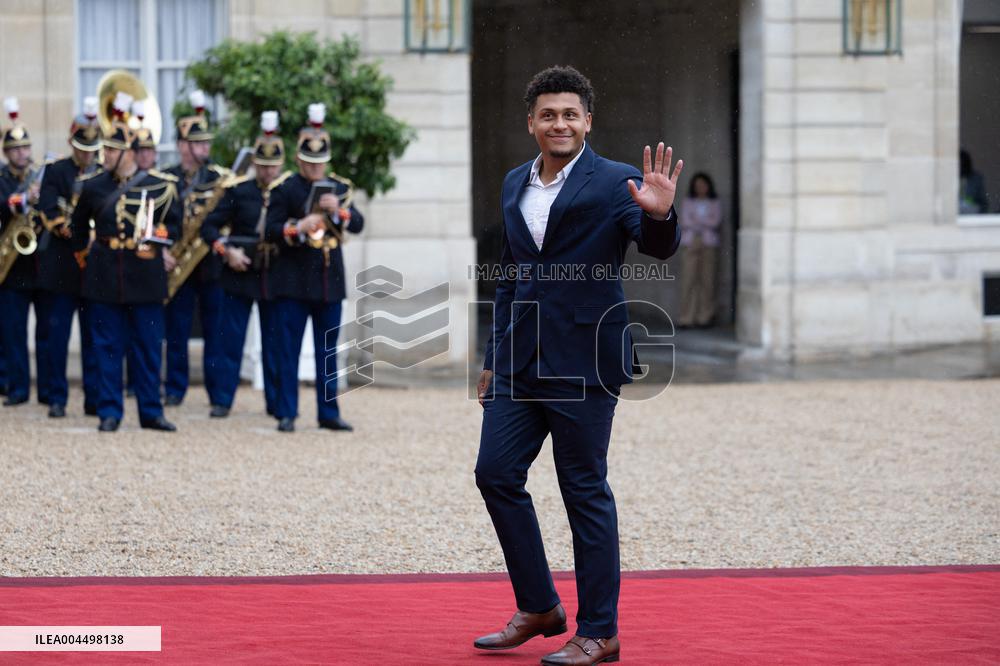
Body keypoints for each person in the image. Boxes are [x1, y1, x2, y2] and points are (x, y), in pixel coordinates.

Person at [473, 66, 682, 666]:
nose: (559, 123)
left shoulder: (616, 180)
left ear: (588, 120)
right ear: (531, 123)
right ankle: (540, 606)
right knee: (495, 474)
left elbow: (656, 245)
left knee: (583, 490)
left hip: (586, 361)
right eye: (548, 114)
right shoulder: (514, 182)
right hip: (520, 362)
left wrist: (660, 215)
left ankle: (599, 631)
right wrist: (493, 358)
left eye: (570, 114)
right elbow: (511, 276)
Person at [69, 92, 181, 433]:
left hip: (145, 275)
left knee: (148, 348)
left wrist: (159, 240)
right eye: (105, 149)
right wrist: (86, 257)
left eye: (112, 150)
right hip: (104, 274)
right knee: (107, 347)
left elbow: (174, 225)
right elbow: (77, 228)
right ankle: (109, 411)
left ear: (129, 153)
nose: (105, 155)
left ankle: (151, 412)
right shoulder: (93, 187)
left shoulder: (161, 186)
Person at [264, 103, 364, 433]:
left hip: (327, 281)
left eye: (320, 162)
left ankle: (328, 412)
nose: (315, 168)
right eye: (309, 162)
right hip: (293, 280)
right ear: (298, 159)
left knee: (328, 352)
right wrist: (298, 226)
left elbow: (358, 223)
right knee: (288, 350)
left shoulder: (339, 188)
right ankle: (286, 411)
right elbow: (270, 230)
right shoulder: (284, 188)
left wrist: (338, 212)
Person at [200, 111, 288, 418]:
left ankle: (276, 403)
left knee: (274, 342)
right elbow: (209, 228)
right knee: (229, 340)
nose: (268, 171)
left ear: (281, 165)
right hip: (239, 272)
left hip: (274, 273)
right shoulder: (238, 191)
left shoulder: (287, 192)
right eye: (262, 165)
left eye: (272, 166)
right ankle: (222, 400)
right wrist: (227, 251)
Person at [161, 90, 229, 409]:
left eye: (206, 143)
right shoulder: (168, 178)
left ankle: (217, 394)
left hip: (210, 263)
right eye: (197, 143)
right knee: (176, 330)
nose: (204, 149)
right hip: (178, 262)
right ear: (181, 145)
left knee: (216, 331)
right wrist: (164, 249)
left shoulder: (219, 179)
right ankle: (175, 389)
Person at [35, 97, 103, 417]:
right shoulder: (56, 171)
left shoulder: (102, 173)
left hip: (92, 267)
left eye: (91, 149)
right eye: (82, 148)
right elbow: (49, 208)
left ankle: (93, 398)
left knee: (93, 337)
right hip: (62, 265)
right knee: (58, 336)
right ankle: (57, 398)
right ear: (71, 143)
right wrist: (73, 229)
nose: (87, 155)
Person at [0, 96, 49, 408]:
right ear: (6, 153)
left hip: (39, 265)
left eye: (25, 148)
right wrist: (22, 200)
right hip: (11, 268)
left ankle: (46, 390)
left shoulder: (41, 176)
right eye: (16, 149)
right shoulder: (2, 180)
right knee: (14, 332)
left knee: (46, 332)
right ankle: (18, 388)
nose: (22, 153)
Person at [677, 171, 722, 329]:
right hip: (691, 241)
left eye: (703, 185)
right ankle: (686, 317)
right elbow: (684, 221)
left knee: (707, 280)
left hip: (708, 242)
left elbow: (716, 222)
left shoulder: (714, 202)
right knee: (689, 280)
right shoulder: (688, 201)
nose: (700, 188)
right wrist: (704, 222)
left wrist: (697, 221)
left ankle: (705, 316)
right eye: (697, 185)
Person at [960, 149, 988, 214]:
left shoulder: (976, 179)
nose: (961, 167)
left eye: (963, 164)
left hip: (972, 216)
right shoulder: (949, 178)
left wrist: (974, 208)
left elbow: (983, 204)